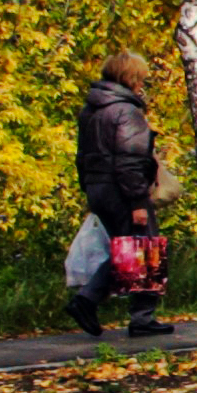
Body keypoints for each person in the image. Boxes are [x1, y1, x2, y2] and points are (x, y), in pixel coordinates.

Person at [68, 48, 167, 339]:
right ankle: (121, 311)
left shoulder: (91, 109)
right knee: (144, 249)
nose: (143, 83)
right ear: (131, 77)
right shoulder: (126, 111)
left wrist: (88, 187)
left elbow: (82, 154)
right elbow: (130, 158)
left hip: (98, 187)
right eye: (142, 78)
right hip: (123, 190)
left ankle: (131, 313)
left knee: (128, 249)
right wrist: (138, 200)